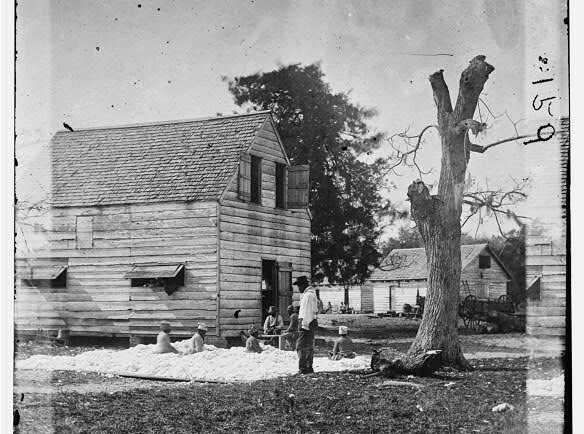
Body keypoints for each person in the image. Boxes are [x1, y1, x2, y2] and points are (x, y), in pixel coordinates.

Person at [294, 276, 319, 374]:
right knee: (309, 345)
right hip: (309, 322)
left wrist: (304, 325)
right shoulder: (310, 295)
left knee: (300, 346)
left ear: (304, 285)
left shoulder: (308, 296)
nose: (298, 288)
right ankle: (309, 367)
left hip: (306, 323)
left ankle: (303, 368)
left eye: (299, 286)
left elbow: (307, 312)